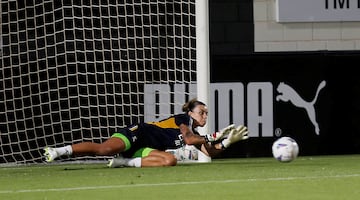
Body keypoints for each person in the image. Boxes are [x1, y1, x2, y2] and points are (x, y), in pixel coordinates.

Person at [43, 98, 249, 167]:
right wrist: (213, 136)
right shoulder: (183, 119)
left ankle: (125, 162)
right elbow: (188, 138)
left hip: (146, 149)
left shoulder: (196, 133)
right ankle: (59, 151)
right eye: (201, 112)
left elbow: (210, 153)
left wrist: (228, 142)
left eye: (206, 113)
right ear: (190, 112)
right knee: (104, 149)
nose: (204, 116)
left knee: (170, 161)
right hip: (138, 134)